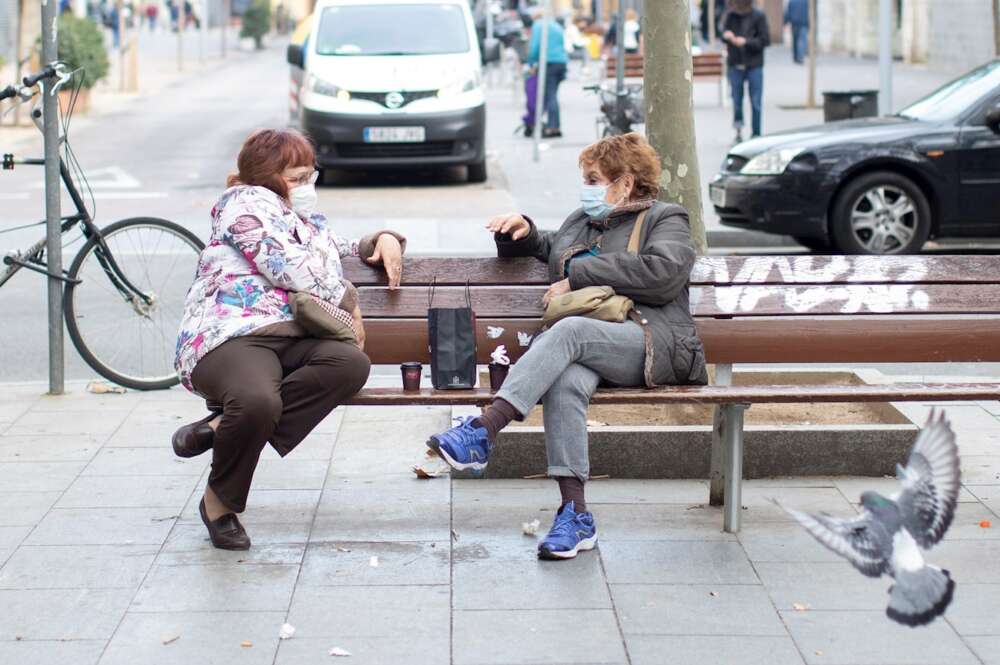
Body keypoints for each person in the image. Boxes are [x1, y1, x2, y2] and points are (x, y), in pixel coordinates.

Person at [426, 133, 708, 561]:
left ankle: (484, 429)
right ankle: (575, 515)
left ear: (625, 183)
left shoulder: (666, 219)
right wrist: (520, 232)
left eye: (594, 179)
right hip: (592, 347)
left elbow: (663, 273)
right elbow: (550, 248)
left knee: (571, 331)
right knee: (566, 381)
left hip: (651, 343)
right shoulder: (583, 220)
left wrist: (579, 276)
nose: (586, 187)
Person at [172, 129, 406, 550]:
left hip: (291, 335)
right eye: (297, 179)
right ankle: (220, 503)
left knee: (349, 365)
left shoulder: (302, 219)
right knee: (258, 401)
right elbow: (286, 265)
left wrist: (382, 239)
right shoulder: (242, 207)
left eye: (310, 176)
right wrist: (348, 302)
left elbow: (341, 249)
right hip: (233, 335)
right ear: (267, 177)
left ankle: (222, 426)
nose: (307, 187)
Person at [722, 0, 770, 142]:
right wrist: (727, 36)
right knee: (737, 101)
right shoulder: (731, 15)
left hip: (754, 65)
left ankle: (756, 133)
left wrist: (746, 42)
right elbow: (723, 34)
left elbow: (765, 40)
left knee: (756, 101)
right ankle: (738, 130)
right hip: (735, 64)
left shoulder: (758, 15)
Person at [527, 8, 568, 138]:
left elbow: (535, 47)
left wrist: (532, 63)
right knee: (552, 95)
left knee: (549, 96)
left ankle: (552, 127)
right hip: (561, 63)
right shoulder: (556, 25)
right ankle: (553, 124)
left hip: (548, 63)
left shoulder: (539, 25)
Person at [784, 0, 809, 65]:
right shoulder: (806, 1)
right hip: (803, 23)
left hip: (795, 23)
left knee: (795, 40)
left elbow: (788, 12)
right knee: (801, 41)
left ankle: (796, 58)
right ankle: (800, 58)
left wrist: (785, 22)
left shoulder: (792, 1)